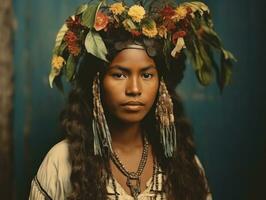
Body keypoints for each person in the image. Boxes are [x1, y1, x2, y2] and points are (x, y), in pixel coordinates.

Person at [29, 0, 235, 199]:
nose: (134, 89)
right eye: (119, 74)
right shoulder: (61, 162)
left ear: (161, 83)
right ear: (97, 82)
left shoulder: (185, 164)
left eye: (146, 75)